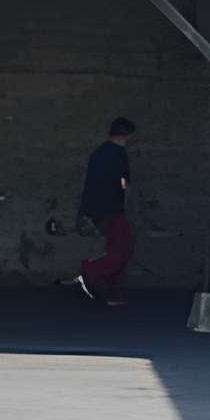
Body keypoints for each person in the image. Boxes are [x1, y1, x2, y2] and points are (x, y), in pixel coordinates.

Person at [67, 117, 138, 305]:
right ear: (124, 136)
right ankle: (93, 275)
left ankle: (103, 285)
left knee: (117, 249)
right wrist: (128, 195)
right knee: (120, 250)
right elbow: (124, 183)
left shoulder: (99, 153)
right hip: (110, 209)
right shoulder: (118, 153)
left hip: (98, 209)